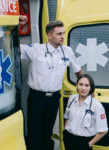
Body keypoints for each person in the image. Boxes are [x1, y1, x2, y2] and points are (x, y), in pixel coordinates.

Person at [19, 16, 82, 150]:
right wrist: (17, 25)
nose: (63, 36)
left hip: (53, 99)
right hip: (36, 98)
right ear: (49, 35)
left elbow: (78, 71)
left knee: (47, 134)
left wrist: (86, 90)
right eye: (59, 33)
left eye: (64, 33)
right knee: (34, 134)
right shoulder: (35, 49)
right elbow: (12, 47)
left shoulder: (67, 51)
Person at [63, 74, 108, 150]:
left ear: (91, 88)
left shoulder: (97, 106)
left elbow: (103, 131)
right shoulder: (72, 99)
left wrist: (88, 144)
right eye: (80, 84)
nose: (83, 88)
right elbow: (67, 117)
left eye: (87, 85)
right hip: (69, 139)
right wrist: (65, 132)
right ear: (77, 85)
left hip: (84, 143)